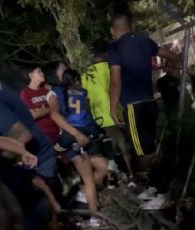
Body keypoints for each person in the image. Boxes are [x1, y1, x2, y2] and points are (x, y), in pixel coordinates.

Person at [108, 13, 182, 210]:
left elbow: (116, 80)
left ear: (113, 31)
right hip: (150, 103)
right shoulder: (145, 41)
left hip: (133, 106)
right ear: (131, 27)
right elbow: (167, 54)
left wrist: (113, 107)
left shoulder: (115, 49)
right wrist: (179, 59)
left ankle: (162, 193)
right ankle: (154, 187)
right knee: (148, 148)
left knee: (144, 155)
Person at [0, 63, 62, 228]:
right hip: (22, 154)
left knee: (35, 211)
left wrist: (6, 157)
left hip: (38, 156)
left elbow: (22, 135)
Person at [45, 63, 107, 227]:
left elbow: (86, 113)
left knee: (103, 167)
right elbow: (54, 115)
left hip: (85, 136)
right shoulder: (54, 93)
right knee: (89, 180)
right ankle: (94, 216)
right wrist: (76, 134)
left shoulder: (76, 91)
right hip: (73, 139)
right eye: (60, 68)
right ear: (54, 74)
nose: (64, 68)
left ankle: (81, 192)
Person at [81, 39, 135, 187]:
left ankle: (116, 179)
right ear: (106, 53)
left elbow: (85, 98)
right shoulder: (114, 67)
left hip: (100, 118)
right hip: (119, 112)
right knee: (125, 146)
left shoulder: (86, 74)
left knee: (110, 150)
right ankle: (131, 175)